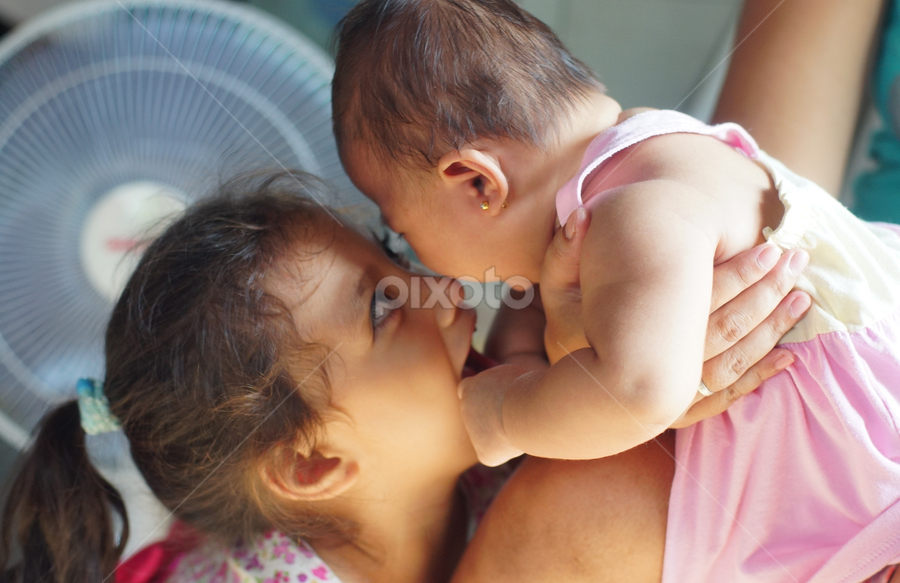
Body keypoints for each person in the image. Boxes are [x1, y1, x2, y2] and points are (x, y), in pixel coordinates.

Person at [330, 0, 900, 580]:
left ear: (477, 183)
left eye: (402, 233)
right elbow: (564, 322)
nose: (419, 263)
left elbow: (640, 391)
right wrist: (533, 355)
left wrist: (506, 414)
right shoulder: (645, 153)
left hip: (869, 483)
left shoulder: (637, 213)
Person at [0, 174, 806, 583]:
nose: (445, 290)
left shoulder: (496, 423)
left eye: (396, 253)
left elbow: (559, 352)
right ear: (314, 464)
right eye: (387, 308)